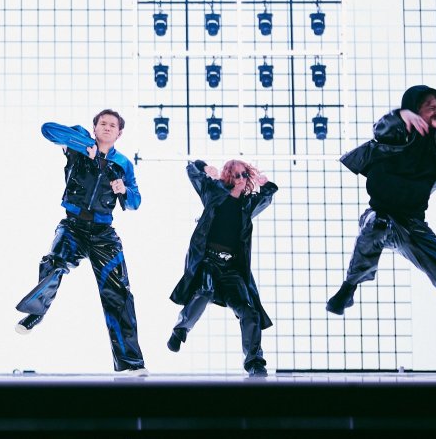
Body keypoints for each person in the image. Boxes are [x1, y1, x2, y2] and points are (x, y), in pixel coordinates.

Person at [326, 85, 436, 379]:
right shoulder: (397, 133)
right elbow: (381, 129)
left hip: (413, 226)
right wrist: (401, 115)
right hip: (381, 214)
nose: (435, 111)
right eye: (428, 106)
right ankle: (349, 287)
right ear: (414, 109)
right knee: (376, 225)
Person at [14, 110, 147, 375]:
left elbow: (135, 202)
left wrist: (124, 191)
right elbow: (48, 128)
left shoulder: (122, 164)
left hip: (103, 233)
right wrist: (82, 144)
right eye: (102, 124)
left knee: (118, 293)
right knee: (54, 263)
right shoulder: (78, 145)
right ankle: (36, 312)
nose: (107, 128)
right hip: (73, 226)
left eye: (112, 126)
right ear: (94, 127)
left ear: (119, 133)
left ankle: (131, 364)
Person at [168, 160, 277, 377]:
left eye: (244, 175)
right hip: (208, 261)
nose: (239, 179)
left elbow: (266, 198)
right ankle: (181, 329)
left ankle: (255, 362)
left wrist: (265, 184)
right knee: (204, 291)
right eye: (235, 175)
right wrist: (203, 167)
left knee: (249, 311)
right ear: (227, 177)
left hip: (232, 269)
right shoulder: (213, 192)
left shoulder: (247, 205)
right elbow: (193, 172)